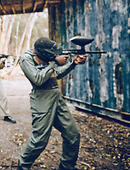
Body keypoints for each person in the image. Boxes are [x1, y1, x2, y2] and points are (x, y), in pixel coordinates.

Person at [17, 37, 87, 170]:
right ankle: (22, 167)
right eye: (52, 55)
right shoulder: (26, 58)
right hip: (42, 101)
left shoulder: (47, 60)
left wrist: (73, 63)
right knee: (39, 141)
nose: (55, 56)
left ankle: (67, 166)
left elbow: (57, 74)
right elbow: (38, 79)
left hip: (57, 99)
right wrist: (55, 62)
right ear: (44, 53)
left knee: (72, 134)